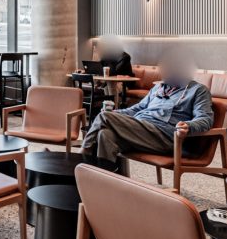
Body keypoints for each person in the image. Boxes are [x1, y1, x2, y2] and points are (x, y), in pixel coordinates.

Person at [81, 52, 213, 167]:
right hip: (140, 129)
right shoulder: (158, 88)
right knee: (105, 135)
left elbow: (205, 118)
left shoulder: (198, 90)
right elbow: (138, 108)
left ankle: (82, 155)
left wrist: (189, 126)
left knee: (104, 116)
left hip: (164, 135)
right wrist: (116, 114)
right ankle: (106, 181)